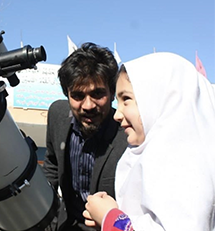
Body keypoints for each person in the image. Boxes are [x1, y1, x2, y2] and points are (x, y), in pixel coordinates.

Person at [83, 52, 215, 230]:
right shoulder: (153, 155)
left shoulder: (185, 164)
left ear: (160, 100)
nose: (117, 114)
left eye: (127, 99)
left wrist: (110, 218)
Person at [43, 42, 128, 231]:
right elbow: (51, 163)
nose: (88, 105)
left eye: (97, 94)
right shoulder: (57, 114)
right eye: (78, 96)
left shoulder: (127, 135)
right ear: (67, 95)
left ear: (112, 92)